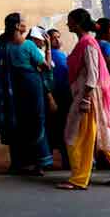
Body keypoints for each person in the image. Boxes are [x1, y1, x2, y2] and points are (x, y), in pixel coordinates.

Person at [56, 9, 110, 191]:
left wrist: (85, 98)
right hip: (90, 96)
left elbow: (93, 74)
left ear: (77, 23)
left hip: (89, 97)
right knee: (104, 135)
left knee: (78, 136)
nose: (67, 24)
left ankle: (79, 179)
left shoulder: (88, 44)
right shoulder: (86, 43)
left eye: (70, 21)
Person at [4, 18, 54, 174]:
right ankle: (41, 162)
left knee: (23, 123)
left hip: (17, 88)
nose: (26, 24)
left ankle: (24, 161)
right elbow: (46, 67)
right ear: (17, 26)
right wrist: (48, 48)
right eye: (23, 21)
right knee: (37, 122)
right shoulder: (28, 45)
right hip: (32, 86)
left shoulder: (7, 46)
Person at [0, 13, 21, 170]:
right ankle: (18, 162)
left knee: (11, 124)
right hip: (13, 89)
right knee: (15, 122)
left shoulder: (2, 44)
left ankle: (16, 161)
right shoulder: (13, 45)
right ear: (16, 26)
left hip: (4, 89)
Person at [47, 28, 71, 169]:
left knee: (63, 128)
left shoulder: (63, 55)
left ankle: (66, 160)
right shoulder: (48, 56)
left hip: (64, 95)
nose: (57, 40)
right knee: (55, 128)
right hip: (54, 95)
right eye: (53, 38)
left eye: (58, 37)